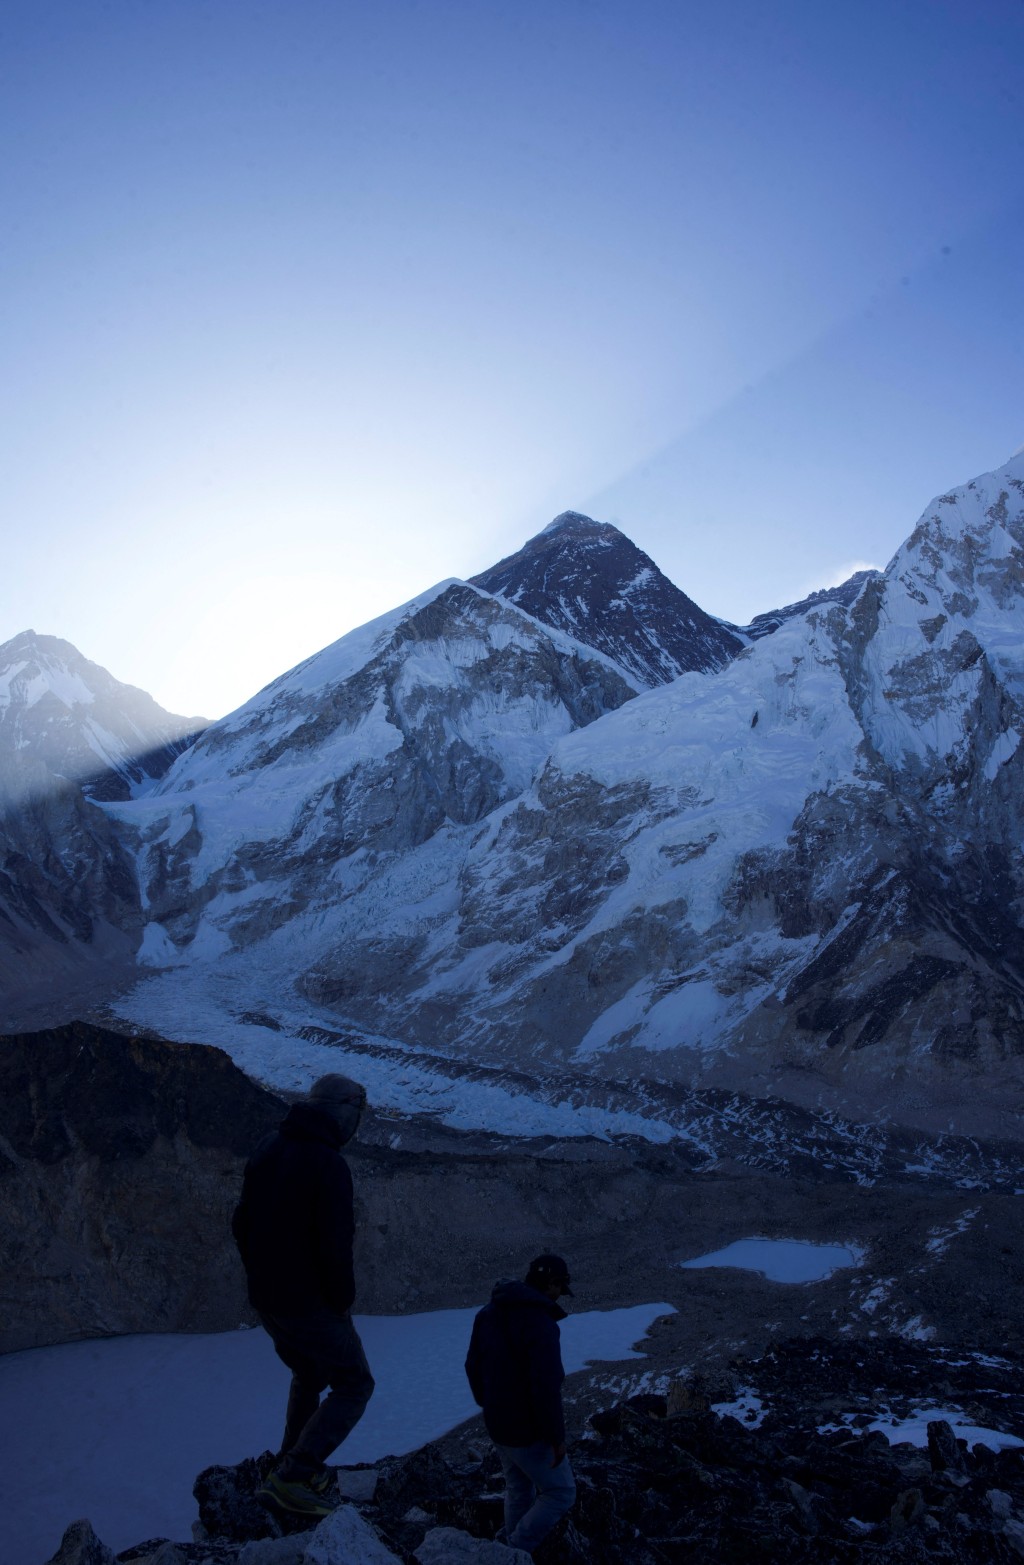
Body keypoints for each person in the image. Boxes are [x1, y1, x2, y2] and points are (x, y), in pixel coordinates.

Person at [231, 1072, 374, 1519]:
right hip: (309, 1301)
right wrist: (341, 1299)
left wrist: (260, 1276)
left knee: (309, 1373)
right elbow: (335, 1242)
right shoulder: (328, 1164)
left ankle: (285, 1465)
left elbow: (241, 1224)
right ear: (344, 1112)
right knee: (354, 1384)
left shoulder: (269, 1147)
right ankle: (296, 1476)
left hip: (268, 1298)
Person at [465, 1253, 577, 1555]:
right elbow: (546, 1385)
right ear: (552, 1283)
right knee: (561, 1491)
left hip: (498, 1425)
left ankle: (508, 1551)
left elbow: (472, 1365)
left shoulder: (489, 1312)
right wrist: (556, 1438)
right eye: (560, 1288)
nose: (560, 1296)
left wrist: (488, 1404)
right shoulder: (540, 1323)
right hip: (526, 1431)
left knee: (518, 1487)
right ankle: (516, 1548)